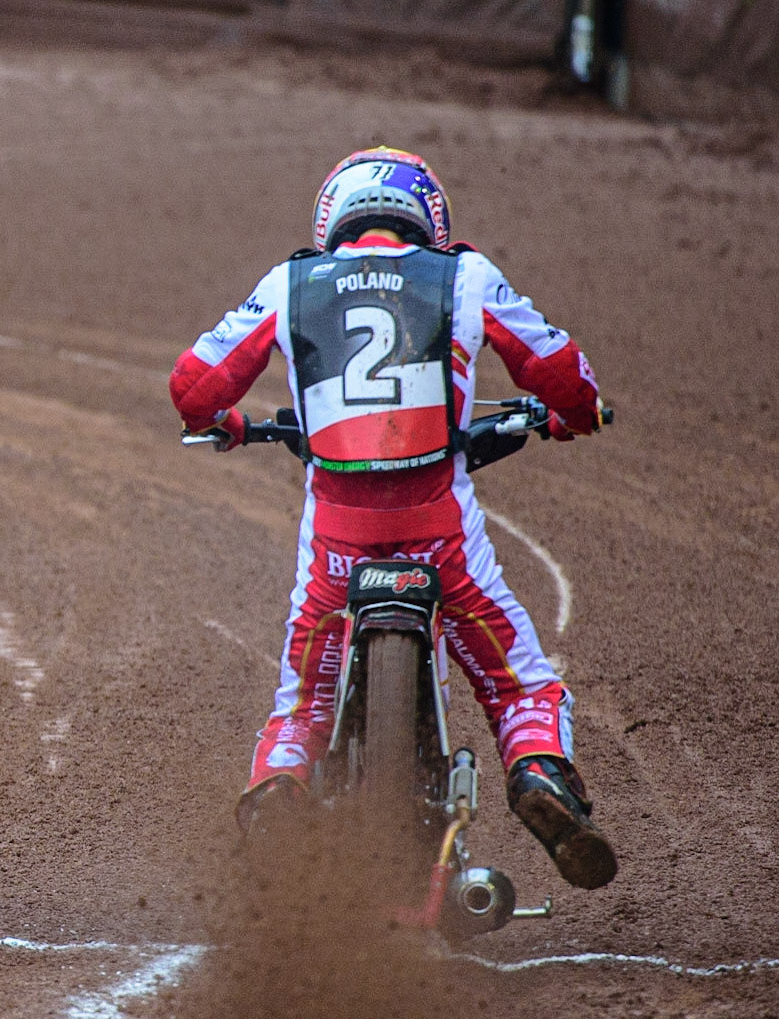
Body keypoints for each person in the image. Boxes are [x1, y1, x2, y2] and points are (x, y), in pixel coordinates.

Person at [170, 147, 616, 890]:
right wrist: (576, 414)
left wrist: (221, 421)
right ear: (430, 219)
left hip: (337, 545)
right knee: (520, 687)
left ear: (331, 219)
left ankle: (278, 793)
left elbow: (192, 387)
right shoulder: (464, 276)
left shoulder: (289, 283)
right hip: (442, 537)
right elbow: (560, 370)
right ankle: (540, 775)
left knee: (303, 705)